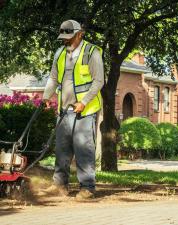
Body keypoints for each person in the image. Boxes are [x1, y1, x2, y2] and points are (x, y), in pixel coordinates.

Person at [42, 20, 104, 200]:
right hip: (64, 109)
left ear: (80, 34)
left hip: (85, 110)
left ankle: (87, 188)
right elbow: (53, 78)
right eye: (64, 38)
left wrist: (84, 102)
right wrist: (46, 96)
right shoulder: (60, 53)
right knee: (62, 148)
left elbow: (99, 81)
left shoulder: (92, 53)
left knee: (83, 148)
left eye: (70, 38)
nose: (66, 41)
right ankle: (60, 185)